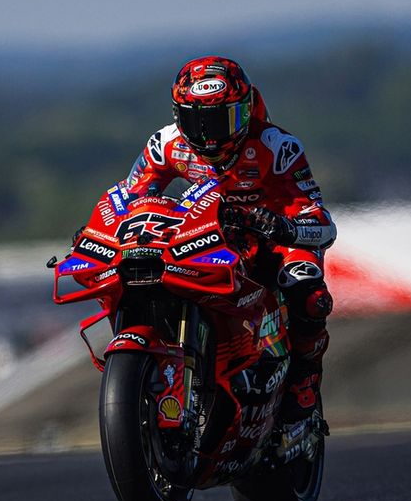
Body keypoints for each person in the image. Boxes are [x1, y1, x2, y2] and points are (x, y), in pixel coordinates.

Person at [122, 55, 336, 430]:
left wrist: (283, 227)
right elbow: (130, 200)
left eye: (222, 120)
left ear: (246, 110)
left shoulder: (276, 146)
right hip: (207, 237)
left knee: (305, 287)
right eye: (196, 121)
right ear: (178, 116)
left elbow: (323, 224)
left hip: (271, 240)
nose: (209, 135)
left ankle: (305, 375)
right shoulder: (165, 144)